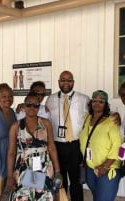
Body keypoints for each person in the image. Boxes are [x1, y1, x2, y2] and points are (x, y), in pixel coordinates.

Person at [7, 92, 61, 201]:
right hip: (23, 169)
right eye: (29, 104)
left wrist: (58, 170)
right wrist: (9, 176)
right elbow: (11, 153)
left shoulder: (46, 123)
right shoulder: (15, 126)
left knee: (43, 196)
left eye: (36, 105)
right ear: (24, 106)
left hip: (43, 167)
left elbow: (52, 147)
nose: (32, 107)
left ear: (39, 106)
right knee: (23, 197)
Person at [45, 71, 90, 201]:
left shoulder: (84, 99)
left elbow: (98, 112)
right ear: (58, 82)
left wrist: (113, 115)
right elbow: (40, 113)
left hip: (75, 145)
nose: (66, 83)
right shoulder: (51, 99)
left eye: (69, 80)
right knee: (60, 179)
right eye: (63, 80)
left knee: (76, 180)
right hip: (57, 145)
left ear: (73, 82)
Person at [79, 90, 122, 201]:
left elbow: (118, 146)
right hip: (90, 168)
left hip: (107, 169)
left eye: (101, 101)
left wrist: (105, 166)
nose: (97, 104)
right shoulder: (87, 118)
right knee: (97, 197)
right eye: (94, 100)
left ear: (106, 104)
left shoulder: (112, 120)